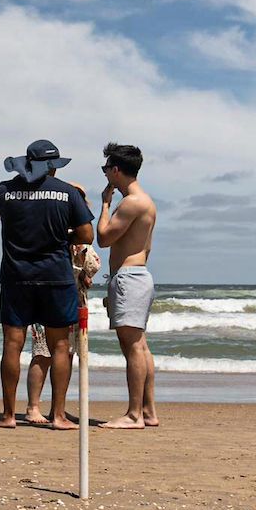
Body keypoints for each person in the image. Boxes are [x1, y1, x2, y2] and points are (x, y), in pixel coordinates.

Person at [0, 140, 94, 430]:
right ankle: (58, 415)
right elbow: (87, 235)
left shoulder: (5, 189)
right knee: (60, 345)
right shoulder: (67, 193)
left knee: (12, 344)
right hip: (55, 277)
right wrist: (63, 238)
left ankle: (9, 415)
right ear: (52, 167)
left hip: (15, 276)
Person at [25, 184, 101, 420]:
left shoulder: (55, 234)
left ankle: (45, 407)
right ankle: (41, 407)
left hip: (57, 297)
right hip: (61, 297)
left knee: (52, 353)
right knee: (52, 353)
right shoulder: (67, 236)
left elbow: (91, 267)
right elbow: (92, 266)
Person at [97, 142, 159, 429]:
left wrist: (105, 205)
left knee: (133, 347)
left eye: (106, 168)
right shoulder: (146, 200)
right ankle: (147, 411)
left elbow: (104, 238)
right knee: (140, 346)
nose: (105, 173)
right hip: (137, 276)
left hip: (130, 278)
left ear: (116, 170)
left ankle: (135, 414)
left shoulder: (132, 202)